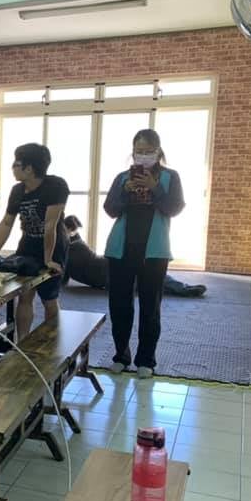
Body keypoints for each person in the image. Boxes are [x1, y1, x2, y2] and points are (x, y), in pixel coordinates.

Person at [103, 129, 185, 379]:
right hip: (121, 250)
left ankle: (146, 360)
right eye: (139, 151)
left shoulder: (170, 177)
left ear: (158, 151)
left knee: (150, 307)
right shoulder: (122, 178)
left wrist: (154, 187)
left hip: (154, 252)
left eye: (149, 151)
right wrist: (125, 192)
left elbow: (174, 208)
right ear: (133, 152)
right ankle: (121, 355)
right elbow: (110, 209)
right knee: (119, 305)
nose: (144, 156)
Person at [0, 143, 68, 339]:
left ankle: (53, 343)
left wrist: (48, 260)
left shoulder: (56, 186)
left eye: (16, 164)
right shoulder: (17, 190)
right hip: (27, 245)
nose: (13, 168)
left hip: (53, 246)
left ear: (29, 168)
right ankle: (22, 341)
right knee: (25, 293)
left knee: (49, 298)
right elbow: (7, 222)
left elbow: (50, 226)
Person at [61, 216, 206, 297]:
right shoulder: (74, 247)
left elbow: (63, 278)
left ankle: (183, 289)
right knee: (149, 279)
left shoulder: (72, 247)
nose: (76, 232)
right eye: (73, 230)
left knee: (148, 279)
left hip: (106, 271)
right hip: (107, 273)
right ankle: (183, 289)